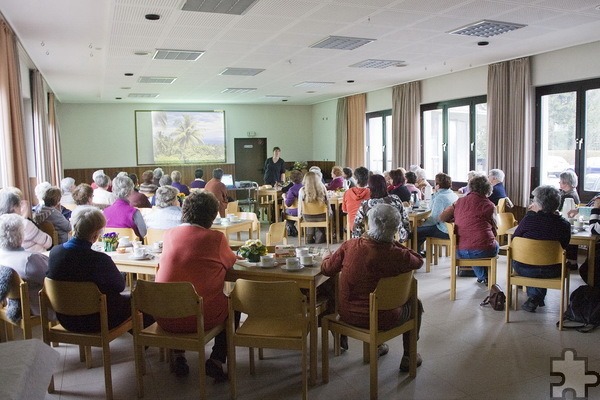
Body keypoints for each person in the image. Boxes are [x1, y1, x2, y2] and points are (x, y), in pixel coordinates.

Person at [321, 204, 424, 371]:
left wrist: (327, 257)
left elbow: (326, 269)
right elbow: (418, 260)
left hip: (347, 314)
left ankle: (377, 346)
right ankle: (409, 356)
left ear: (369, 224)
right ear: (395, 228)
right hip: (384, 318)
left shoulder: (349, 245)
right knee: (416, 305)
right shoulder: (398, 255)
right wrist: (393, 241)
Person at [155, 191, 236, 380]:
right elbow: (230, 261)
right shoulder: (215, 238)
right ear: (212, 215)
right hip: (200, 317)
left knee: (178, 296)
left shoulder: (169, 235)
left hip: (164, 315)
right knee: (234, 304)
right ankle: (216, 360)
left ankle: (178, 355)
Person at [46, 206, 131, 332]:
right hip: (97, 320)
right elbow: (120, 286)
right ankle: (142, 342)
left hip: (65, 318)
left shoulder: (54, 252)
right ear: (96, 235)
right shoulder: (99, 259)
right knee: (138, 300)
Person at [511, 185, 571, 312]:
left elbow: (514, 241)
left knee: (529, 260)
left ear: (538, 204)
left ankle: (534, 297)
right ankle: (534, 298)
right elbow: (564, 246)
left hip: (524, 268)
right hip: (553, 269)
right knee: (544, 262)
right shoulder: (564, 225)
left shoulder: (528, 219)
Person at [439, 175, 498, 285]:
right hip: (482, 250)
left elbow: (442, 218)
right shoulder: (490, 206)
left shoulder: (459, 202)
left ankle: (482, 276)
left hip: (460, 250)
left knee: (473, 244)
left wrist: (456, 216)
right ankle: (484, 276)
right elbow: (494, 230)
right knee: (490, 244)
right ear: (488, 189)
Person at [0, 213, 49, 316]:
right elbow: (52, 277)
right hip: (36, 307)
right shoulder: (29, 260)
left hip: (11, 303)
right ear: (21, 235)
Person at [352, 174, 409, 241]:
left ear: (370, 188)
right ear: (385, 186)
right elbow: (405, 219)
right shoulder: (395, 199)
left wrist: (358, 241)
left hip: (374, 238)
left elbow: (356, 225)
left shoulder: (366, 204)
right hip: (396, 237)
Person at [416, 173, 458, 253]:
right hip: (451, 228)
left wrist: (422, 224)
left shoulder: (440, 198)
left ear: (437, 185)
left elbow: (434, 219)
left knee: (416, 232)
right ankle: (418, 253)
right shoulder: (452, 194)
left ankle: (415, 255)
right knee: (421, 231)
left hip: (443, 229)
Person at [0, 188, 51, 252]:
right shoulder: (24, 223)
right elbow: (48, 242)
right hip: (33, 258)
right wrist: (24, 218)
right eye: (19, 205)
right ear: (14, 207)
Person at [102, 175, 147, 240]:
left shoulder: (105, 212)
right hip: (132, 248)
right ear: (130, 190)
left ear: (113, 189)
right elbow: (144, 234)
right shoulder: (134, 212)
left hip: (111, 247)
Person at [298, 171, 329, 244]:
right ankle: (320, 236)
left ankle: (309, 237)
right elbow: (328, 204)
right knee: (324, 215)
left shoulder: (302, 190)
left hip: (308, 217)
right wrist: (329, 213)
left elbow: (300, 205)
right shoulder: (323, 188)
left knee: (311, 217)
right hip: (322, 217)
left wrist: (300, 216)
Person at [342, 166, 370, 232]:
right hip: (368, 225)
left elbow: (344, 210)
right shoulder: (371, 192)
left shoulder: (347, 192)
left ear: (355, 178)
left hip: (353, 224)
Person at [283, 169, 303, 236]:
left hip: (296, 210)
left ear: (291, 180)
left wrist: (284, 197)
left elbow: (288, 204)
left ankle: (291, 228)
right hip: (305, 210)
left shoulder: (292, 189)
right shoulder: (304, 187)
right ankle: (292, 228)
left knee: (283, 212)